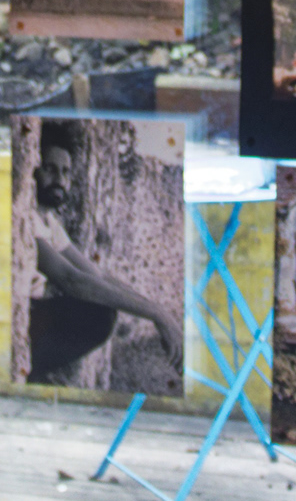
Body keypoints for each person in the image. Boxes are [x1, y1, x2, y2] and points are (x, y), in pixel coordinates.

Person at [26, 129, 183, 384]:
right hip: (27, 313)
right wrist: (155, 314)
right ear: (34, 169)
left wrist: (159, 311)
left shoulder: (49, 222)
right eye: (50, 169)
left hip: (36, 312)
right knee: (100, 316)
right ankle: (34, 368)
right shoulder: (28, 219)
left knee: (104, 305)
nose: (59, 180)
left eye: (65, 172)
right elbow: (71, 279)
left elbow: (97, 275)